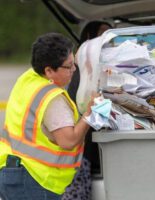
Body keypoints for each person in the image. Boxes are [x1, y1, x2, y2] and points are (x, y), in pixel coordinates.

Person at [0, 32, 95, 200]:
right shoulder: (53, 99)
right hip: (36, 180)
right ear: (49, 70)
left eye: (74, 63)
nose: (74, 70)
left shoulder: (28, 79)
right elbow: (68, 141)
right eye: (69, 66)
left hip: (11, 171)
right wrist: (90, 112)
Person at [62, 21, 112, 200]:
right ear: (89, 40)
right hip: (81, 153)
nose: (106, 40)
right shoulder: (77, 72)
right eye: (102, 35)